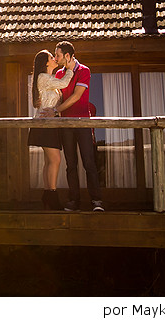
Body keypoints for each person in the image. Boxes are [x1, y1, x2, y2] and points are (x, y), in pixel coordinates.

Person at [52, 40, 104, 212]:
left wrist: (56, 110)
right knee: (71, 164)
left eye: (58, 55)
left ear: (67, 56)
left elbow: (76, 96)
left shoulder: (84, 71)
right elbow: (58, 97)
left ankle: (96, 201)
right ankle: (74, 201)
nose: (55, 58)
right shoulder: (59, 74)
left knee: (89, 162)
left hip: (83, 123)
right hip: (65, 124)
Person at [27, 49, 74, 210]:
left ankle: (47, 194)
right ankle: (52, 196)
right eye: (51, 57)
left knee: (49, 161)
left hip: (49, 124)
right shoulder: (43, 77)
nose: (55, 59)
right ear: (46, 63)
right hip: (45, 124)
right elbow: (64, 83)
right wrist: (70, 68)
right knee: (55, 160)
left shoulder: (48, 79)